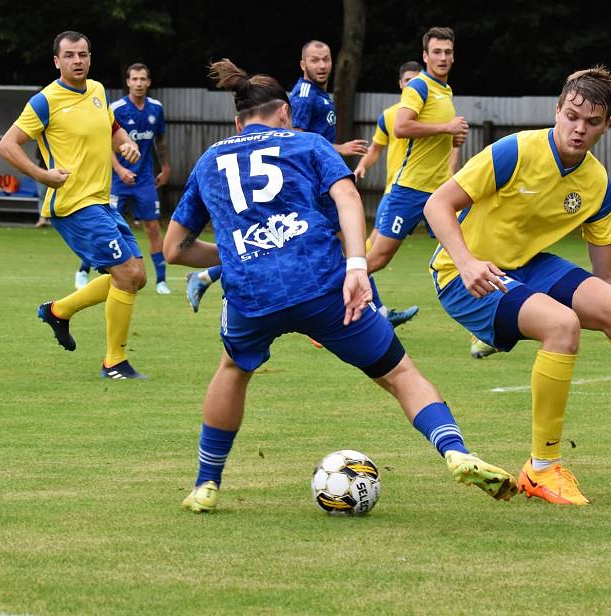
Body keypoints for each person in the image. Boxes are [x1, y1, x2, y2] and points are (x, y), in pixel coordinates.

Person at [163, 59, 516, 513]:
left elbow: (175, 249)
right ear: (285, 113)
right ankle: (455, 451)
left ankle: (206, 485)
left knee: (233, 369)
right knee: (400, 373)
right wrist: (356, 267)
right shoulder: (309, 144)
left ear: (237, 122)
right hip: (323, 286)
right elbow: (348, 197)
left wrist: (236, 251)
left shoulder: (210, 159)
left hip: (253, 294)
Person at [423, 66, 611, 505]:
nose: (579, 129)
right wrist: (466, 262)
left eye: (592, 122)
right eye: (572, 117)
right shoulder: (515, 151)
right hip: (464, 276)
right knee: (562, 326)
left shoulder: (597, 183)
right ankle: (541, 469)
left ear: (607, 125)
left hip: (528, 265)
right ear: (558, 111)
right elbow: (437, 204)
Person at [184, 41, 416, 328]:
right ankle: (364, 312)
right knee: (339, 243)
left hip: (317, 179)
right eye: (315, 60)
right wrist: (337, 151)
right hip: (305, 182)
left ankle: (370, 311)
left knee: (333, 243)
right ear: (302, 65)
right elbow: (291, 137)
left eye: (326, 59)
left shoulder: (318, 94)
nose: (322, 65)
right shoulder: (304, 97)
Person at [0, 30, 147, 380]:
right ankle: (114, 362)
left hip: (101, 201)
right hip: (73, 204)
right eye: (69, 55)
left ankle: (58, 311)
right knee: (126, 275)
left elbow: (111, 127)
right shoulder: (45, 101)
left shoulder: (96, 91)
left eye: (82, 54)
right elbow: (7, 145)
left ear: (90, 58)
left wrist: (126, 144)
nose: (77, 61)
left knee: (136, 277)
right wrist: (42, 174)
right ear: (57, 61)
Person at [365, 27, 468, 322]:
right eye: (436, 52)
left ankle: (486, 328)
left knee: (466, 250)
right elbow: (402, 127)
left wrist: (453, 139)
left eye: (448, 52)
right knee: (379, 259)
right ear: (425, 56)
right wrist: (446, 129)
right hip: (409, 190)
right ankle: (326, 295)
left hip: (438, 194)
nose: (443, 57)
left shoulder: (445, 91)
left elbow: (437, 135)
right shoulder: (419, 87)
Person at [75, 63, 172, 294]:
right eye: (134, 79)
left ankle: (161, 281)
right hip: (117, 180)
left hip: (145, 179)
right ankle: (83, 270)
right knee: (107, 227)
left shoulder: (156, 109)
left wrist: (166, 166)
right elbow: (104, 142)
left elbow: (160, 140)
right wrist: (119, 169)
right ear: (128, 82)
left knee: (152, 227)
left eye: (143, 79)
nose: (139, 83)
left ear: (149, 82)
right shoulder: (116, 108)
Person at [353, 60, 423, 326]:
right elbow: (375, 149)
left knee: (369, 252)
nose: (411, 86)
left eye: (417, 81)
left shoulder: (432, 111)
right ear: (400, 84)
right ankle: (354, 300)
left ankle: (379, 312)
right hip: (397, 193)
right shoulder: (391, 115)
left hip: (427, 192)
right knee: (372, 254)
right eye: (408, 81)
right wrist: (362, 165)